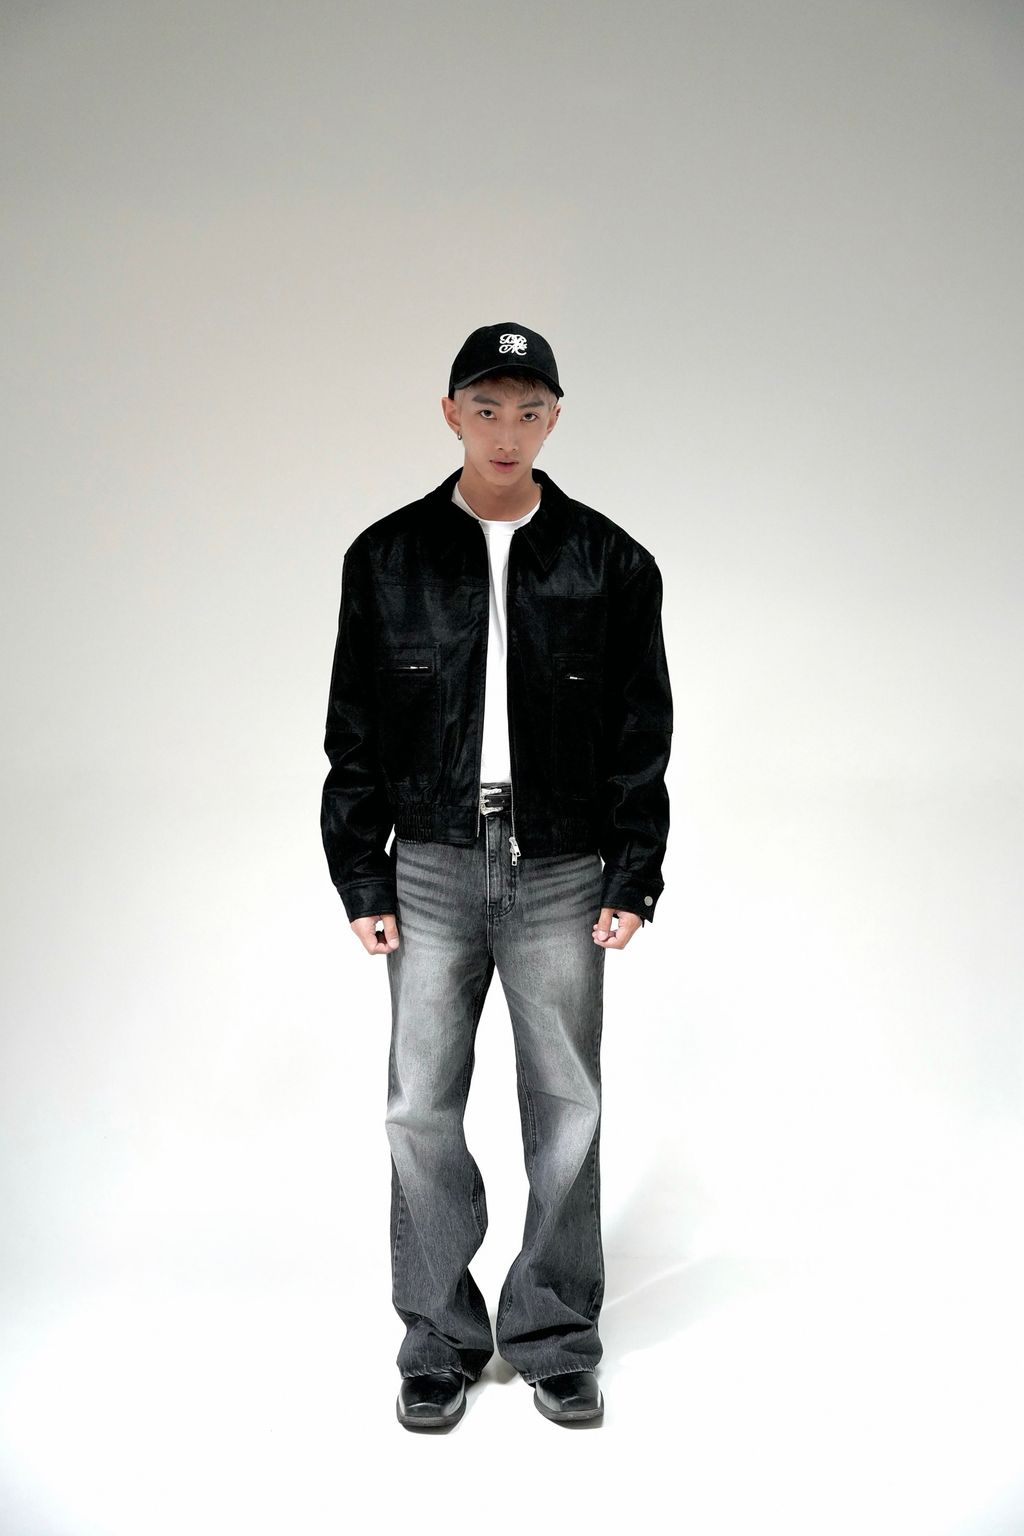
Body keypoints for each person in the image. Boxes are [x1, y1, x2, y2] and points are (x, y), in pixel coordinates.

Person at [320, 322, 673, 1431]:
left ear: (554, 418)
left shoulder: (611, 562)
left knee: (567, 1105)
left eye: (528, 410)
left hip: (562, 864)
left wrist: (634, 870)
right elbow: (353, 731)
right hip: (427, 862)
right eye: (486, 409)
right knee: (418, 1107)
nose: (506, 431)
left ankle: (555, 1334)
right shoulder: (386, 558)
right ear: (451, 415)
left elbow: (642, 731)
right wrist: (362, 876)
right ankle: (437, 1338)